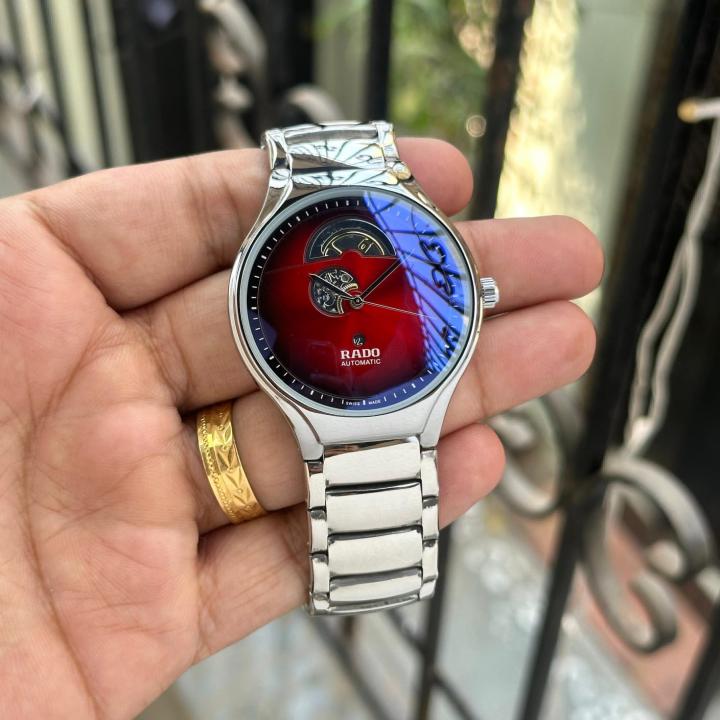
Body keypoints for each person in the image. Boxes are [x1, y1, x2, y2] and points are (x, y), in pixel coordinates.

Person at [0, 137, 602, 718]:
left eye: (368, 283)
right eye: (341, 287)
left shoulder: (416, 284)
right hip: (321, 399)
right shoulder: (278, 290)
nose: (354, 296)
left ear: (478, 297)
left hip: (407, 393)